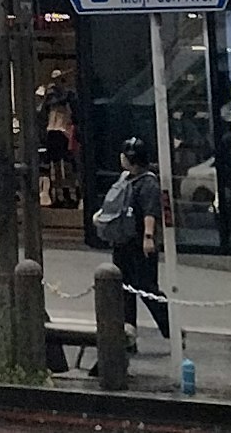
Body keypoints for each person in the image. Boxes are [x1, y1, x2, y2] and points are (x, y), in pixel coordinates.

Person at [92, 137, 168, 337]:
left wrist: (148, 237)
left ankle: (170, 327)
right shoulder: (126, 178)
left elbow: (150, 212)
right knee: (124, 288)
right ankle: (128, 332)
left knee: (146, 288)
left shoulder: (148, 182)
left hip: (139, 242)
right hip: (123, 240)